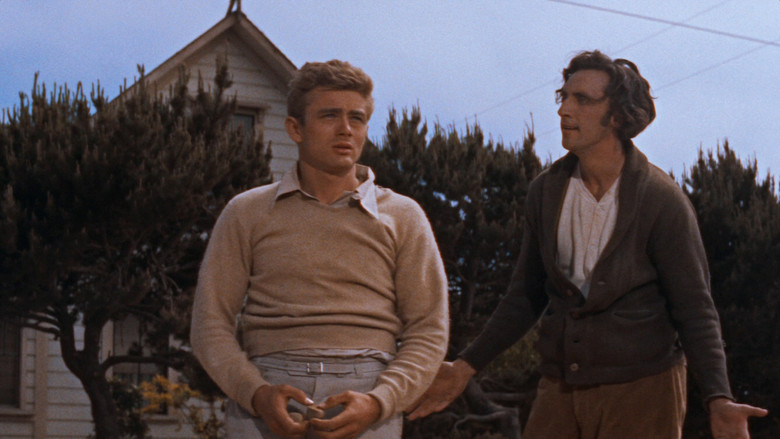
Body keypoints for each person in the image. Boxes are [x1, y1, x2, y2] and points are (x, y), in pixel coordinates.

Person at [407, 50, 768, 439]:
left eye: (582, 99)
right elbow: (525, 295)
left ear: (617, 116)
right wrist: (465, 367)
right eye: (564, 96)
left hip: (643, 388)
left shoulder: (660, 199)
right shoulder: (546, 191)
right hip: (560, 384)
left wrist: (718, 397)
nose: (564, 109)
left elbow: (694, 307)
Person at [191, 59, 449, 439]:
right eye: (330, 115)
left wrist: (380, 401)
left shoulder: (403, 215)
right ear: (295, 128)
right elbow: (209, 324)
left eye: (357, 118)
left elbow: (429, 328)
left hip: (368, 391)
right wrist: (257, 393)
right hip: (268, 391)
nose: (346, 129)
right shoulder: (247, 212)